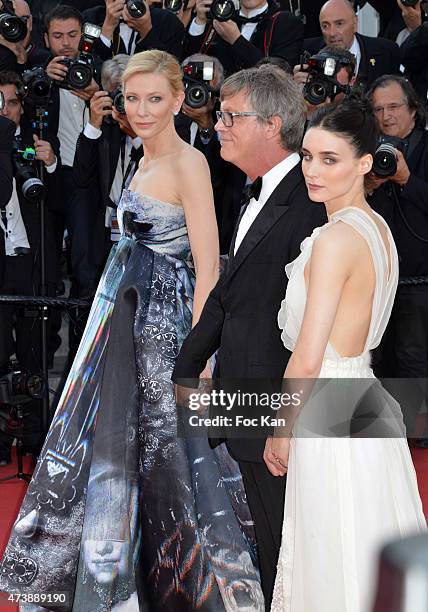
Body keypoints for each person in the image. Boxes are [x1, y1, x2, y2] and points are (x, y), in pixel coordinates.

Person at [0, 50, 265, 611]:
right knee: (120, 455)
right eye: (132, 99)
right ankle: (126, 580)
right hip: (120, 328)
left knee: (171, 456)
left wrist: (199, 356)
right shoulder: (140, 159)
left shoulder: (189, 163)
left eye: (154, 99)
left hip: (161, 334)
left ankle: (189, 585)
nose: (141, 110)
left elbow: (209, 266)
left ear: (176, 101)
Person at [172, 64, 327, 609]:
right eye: (221, 115)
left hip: (278, 404)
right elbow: (228, 294)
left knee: (290, 536)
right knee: (269, 535)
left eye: (232, 116)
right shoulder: (250, 194)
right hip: (243, 394)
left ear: (274, 124)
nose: (219, 125)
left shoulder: (310, 202)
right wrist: (188, 365)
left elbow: (311, 324)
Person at [268, 99, 426, 612]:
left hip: (327, 409)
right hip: (368, 401)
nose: (313, 170)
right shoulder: (378, 229)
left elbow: (309, 357)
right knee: (368, 548)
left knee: (332, 552)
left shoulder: (336, 239)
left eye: (330, 159)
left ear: (364, 163)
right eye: (308, 156)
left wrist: (281, 428)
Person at [304, 0, 400, 88]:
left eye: (339, 24)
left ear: (355, 24)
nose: (332, 33)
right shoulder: (307, 53)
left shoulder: (386, 52)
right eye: (325, 26)